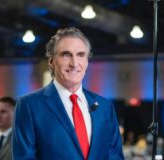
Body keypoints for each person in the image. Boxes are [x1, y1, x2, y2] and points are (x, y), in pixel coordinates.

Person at [12, 27, 124, 160]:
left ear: (87, 62)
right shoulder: (29, 106)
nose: (74, 63)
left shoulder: (105, 107)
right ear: (52, 62)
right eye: (66, 55)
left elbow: (115, 156)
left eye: (81, 55)